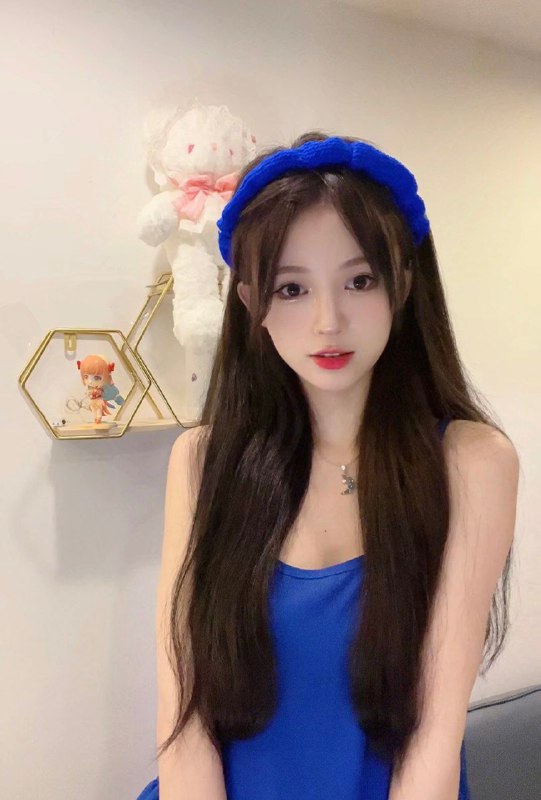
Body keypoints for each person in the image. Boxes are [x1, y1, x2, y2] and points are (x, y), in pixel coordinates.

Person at [136, 132, 519, 800]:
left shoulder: (470, 461)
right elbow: (185, 715)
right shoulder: (201, 461)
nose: (327, 321)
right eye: (291, 288)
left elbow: (434, 734)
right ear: (251, 303)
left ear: (402, 284)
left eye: (358, 280)